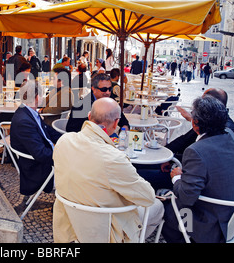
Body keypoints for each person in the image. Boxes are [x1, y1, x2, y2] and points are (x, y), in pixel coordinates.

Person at [53, 97, 164, 243]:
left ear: (89, 117)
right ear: (117, 122)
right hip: (105, 227)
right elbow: (148, 197)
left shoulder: (64, 141)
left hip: (70, 221)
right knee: (158, 206)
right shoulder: (113, 158)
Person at [162, 95, 234, 243]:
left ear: (195, 124)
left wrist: (176, 177)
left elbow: (186, 197)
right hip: (232, 220)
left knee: (165, 210)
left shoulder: (196, 150)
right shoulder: (230, 137)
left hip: (209, 225)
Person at [10, 80, 62, 196]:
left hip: (44, 159)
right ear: (38, 97)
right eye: (43, 94)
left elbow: (48, 131)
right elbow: (41, 154)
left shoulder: (28, 111)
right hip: (37, 170)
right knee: (78, 172)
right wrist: (64, 155)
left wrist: (68, 139)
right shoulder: (24, 121)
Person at [166, 88, 234, 162]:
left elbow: (202, 158)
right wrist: (165, 151)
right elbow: (186, 139)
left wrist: (171, 159)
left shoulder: (224, 129)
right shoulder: (211, 119)